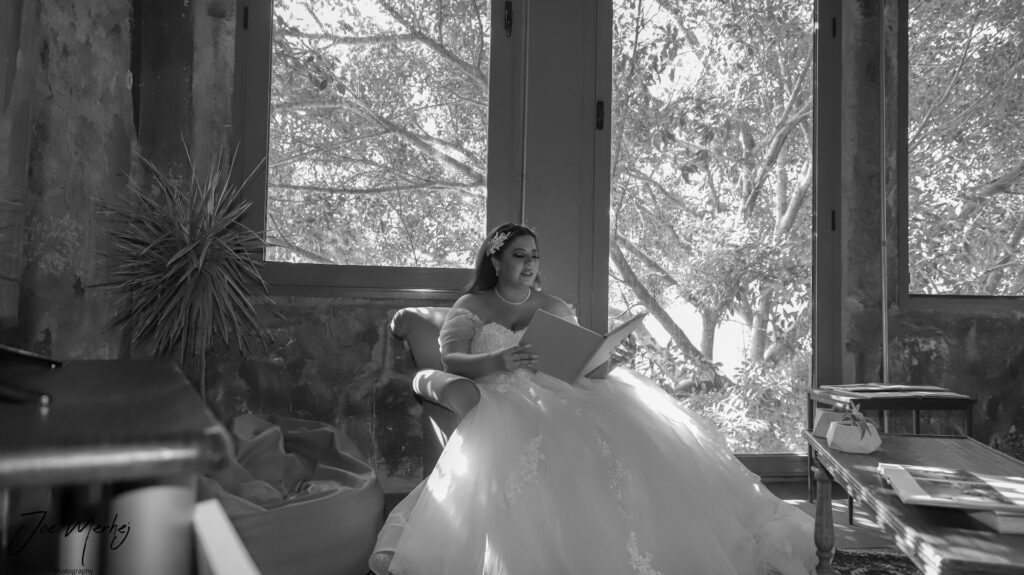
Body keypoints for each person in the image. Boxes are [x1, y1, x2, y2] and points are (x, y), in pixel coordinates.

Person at [369, 223, 816, 575]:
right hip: (504, 394)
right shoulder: (475, 305)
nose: (528, 264)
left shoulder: (554, 304)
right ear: (496, 259)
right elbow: (452, 359)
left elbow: (584, 363)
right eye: (518, 255)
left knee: (628, 441)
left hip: (565, 388)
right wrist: (500, 360)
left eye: (534, 256)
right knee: (550, 444)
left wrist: (599, 356)